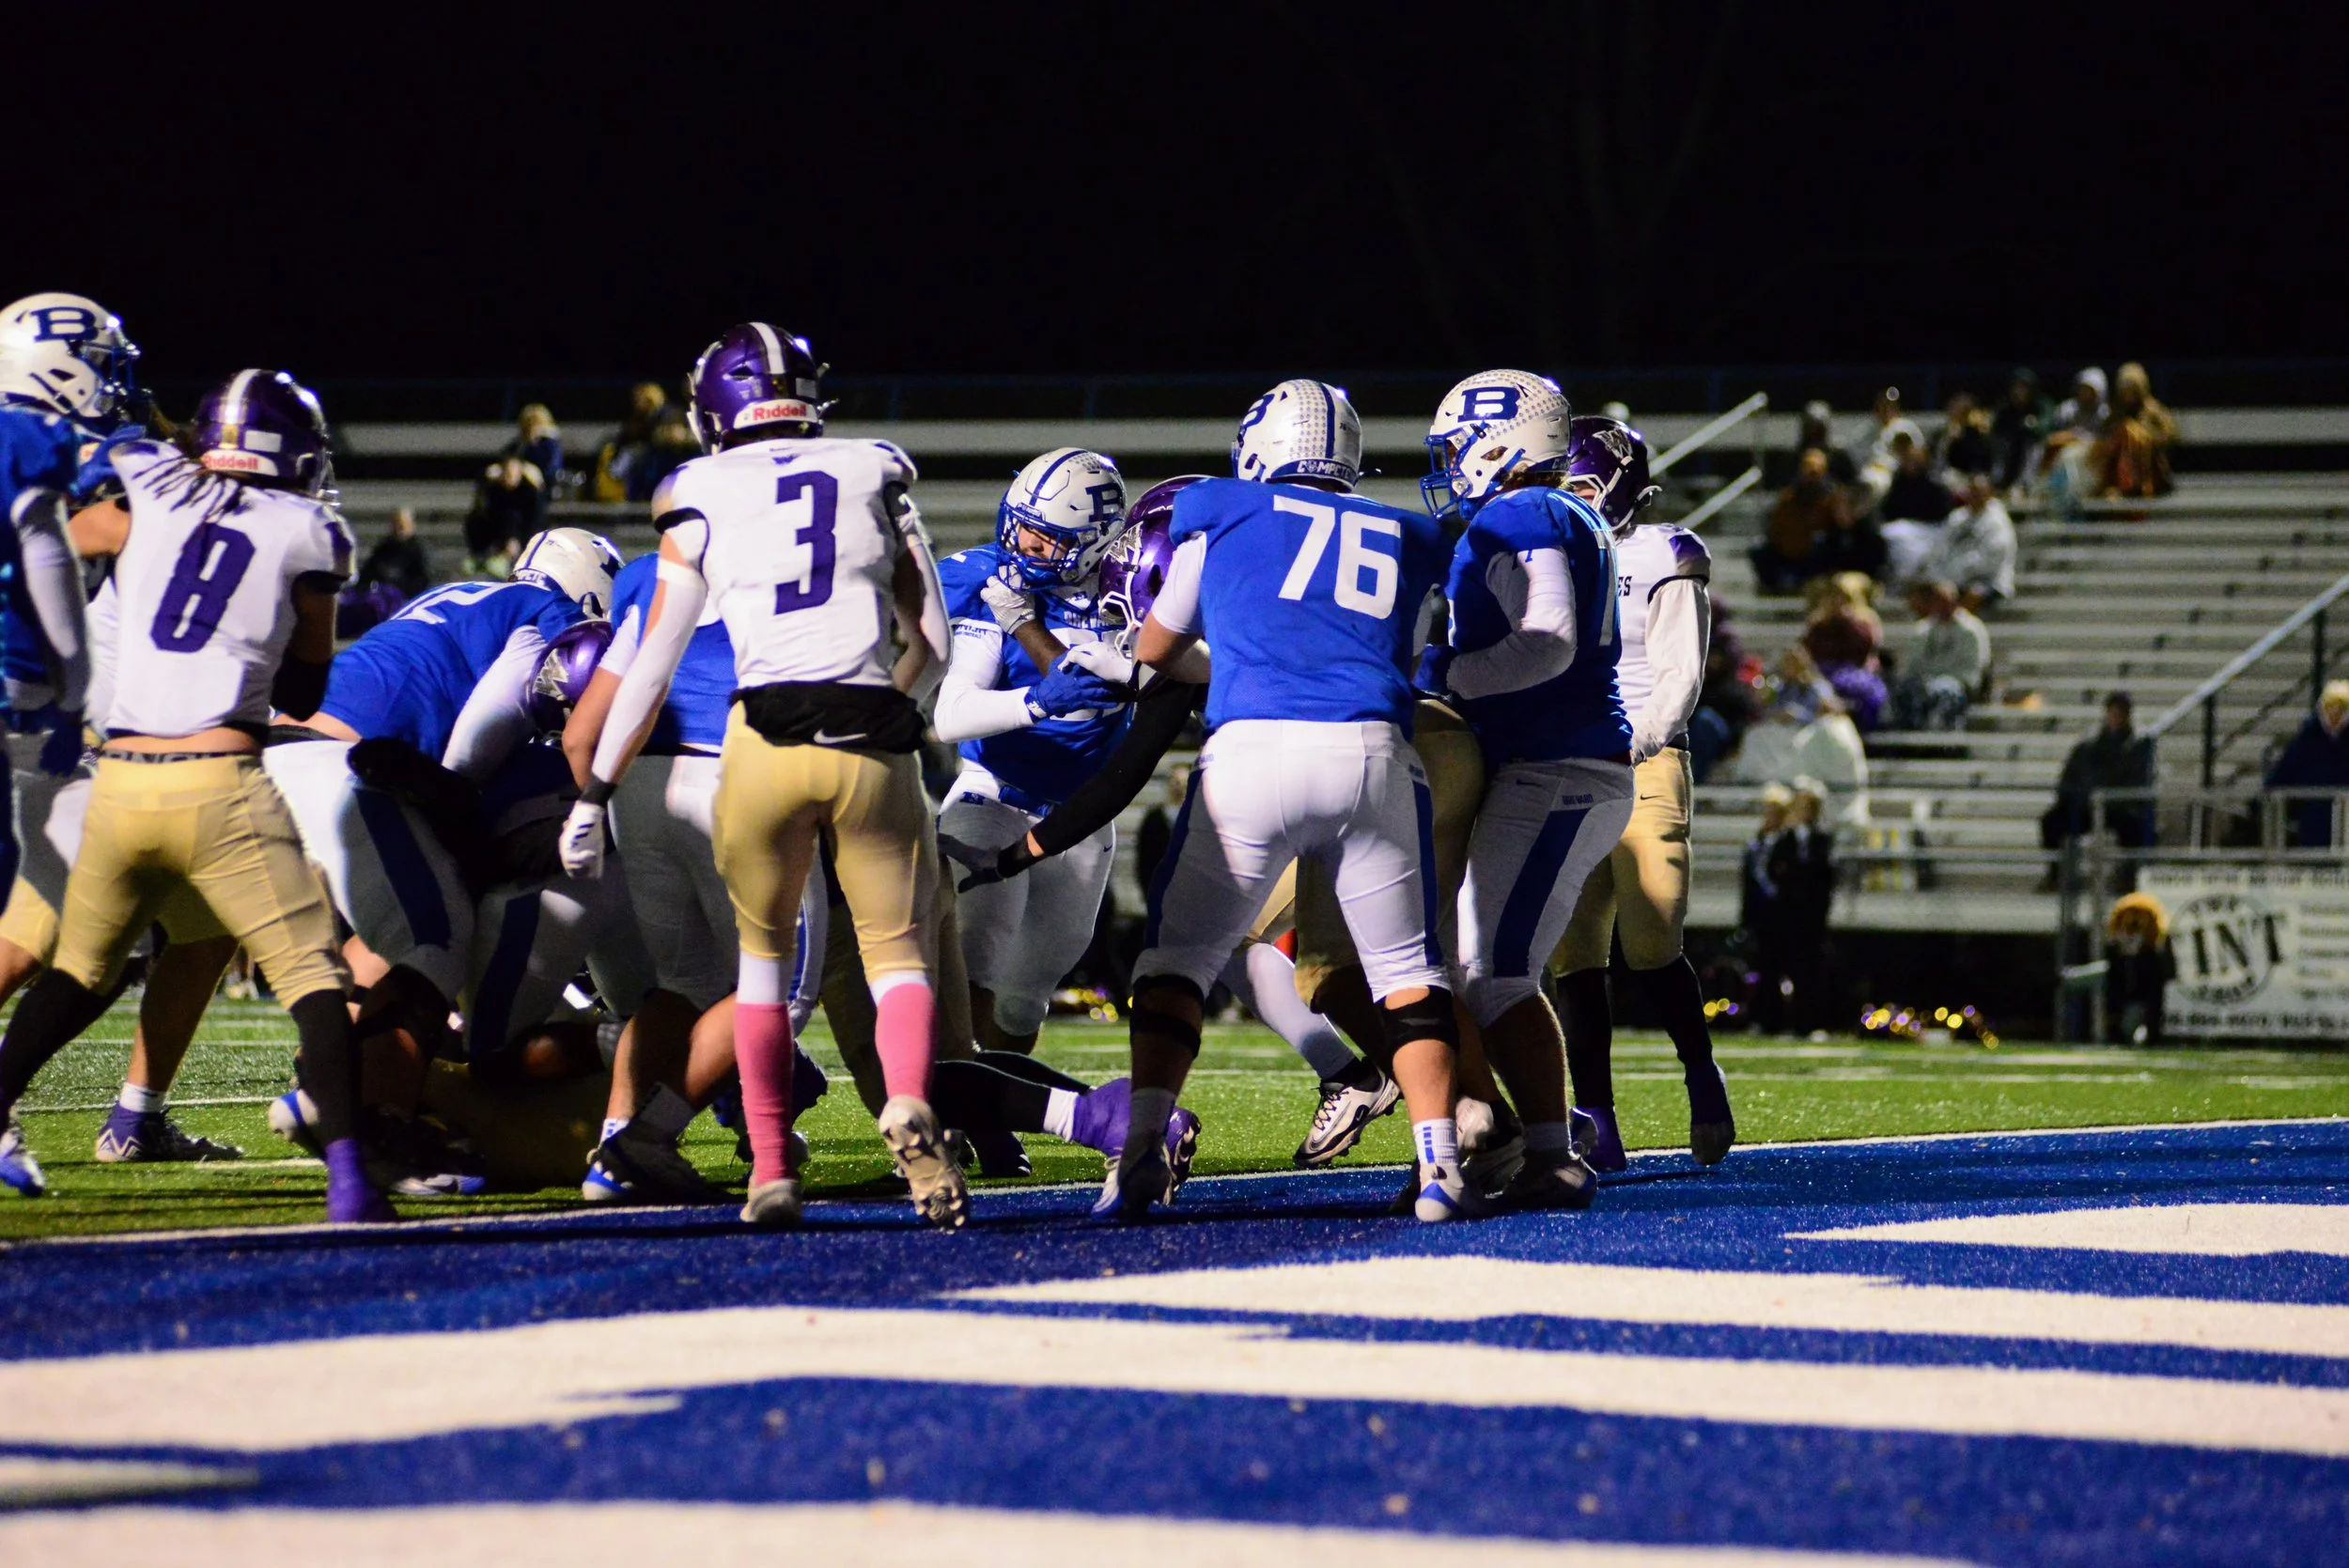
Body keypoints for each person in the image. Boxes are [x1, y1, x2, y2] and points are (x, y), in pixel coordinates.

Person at [559, 320, 962, 1233]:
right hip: (868, 730)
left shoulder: (694, 489)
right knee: (896, 954)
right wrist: (888, 708)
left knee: (761, 966)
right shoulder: (874, 466)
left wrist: (594, 794)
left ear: (714, 412)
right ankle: (907, 1100)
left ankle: (772, 1168)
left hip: (760, 740)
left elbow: (655, 661)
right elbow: (932, 642)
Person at [0, 369, 390, 1221]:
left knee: (78, 971)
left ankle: (85, 1111)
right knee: (312, 976)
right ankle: (353, 1178)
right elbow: (306, 688)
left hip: (118, 779)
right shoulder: (312, 529)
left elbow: (71, 526)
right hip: (218, 780)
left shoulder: (147, 482)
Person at [1110, 378, 1468, 1222]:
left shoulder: (1219, 507)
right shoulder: (1409, 533)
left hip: (1254, 754)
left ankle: (1138, 1155)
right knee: (1407, 971)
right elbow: (1402, 654)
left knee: (1177, 962)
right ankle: (1442, 1167)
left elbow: (1156, 646)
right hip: (1373, 755)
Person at [264, 525, 618, 1166]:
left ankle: (325, 1088)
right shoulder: (546, 615)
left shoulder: (459, 596)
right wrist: (466, 806)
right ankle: (380, 1125)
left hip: (287, 752)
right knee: (434, 938)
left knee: (395, 929)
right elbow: (484, 728)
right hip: (345, 766)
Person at [1426, 369, 1634, 1212]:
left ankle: (1553, 1152)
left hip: (1559, 767)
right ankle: (1531, 1142)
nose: (1450, 464)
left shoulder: (1520, 512)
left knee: (1496, 972)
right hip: (1563, 764)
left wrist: (1444, 674)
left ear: (1500, 441)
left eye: (1457, 446)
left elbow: (1547, 639)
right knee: (1486, 967)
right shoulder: (1563, 511)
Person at [1543, 416, 1735, 1172]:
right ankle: (1597, 1118)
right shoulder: (1547, 555)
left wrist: (1635, 738)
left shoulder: (1663, 552)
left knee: (1652, 945)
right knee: (1574, 954)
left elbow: (1680, 673)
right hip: (1564, 763)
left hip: (1641, 759)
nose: (1569, 498)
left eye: (1583, 484)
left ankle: (1701, 1072)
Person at [931, 447, 1136, 1055]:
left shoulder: (1133, 594)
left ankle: (1002, 1105)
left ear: (1095, 543)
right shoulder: (997, 585)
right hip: (992, 794)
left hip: (1084, 815)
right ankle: (955, 1105)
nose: (1022, 545)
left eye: (1045, 539)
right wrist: (1035, 702)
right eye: (1020, 527)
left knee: (1027, 994)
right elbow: (951, 713)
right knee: (972, 958)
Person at [2039, 691, 2156, 885]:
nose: (2115, 718)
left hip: (2120, 808)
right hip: (2085, 806)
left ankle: (2130, 877)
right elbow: (2069, 777)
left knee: (2139, 824)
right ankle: (2056, 875)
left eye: (2120, 714)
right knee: (2052, 821)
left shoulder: (2138, 746)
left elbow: (2138, 782)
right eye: (2112, 713)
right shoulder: (2089, 745)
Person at [1749, 777, 1835, 1033]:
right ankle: (1772, 1022)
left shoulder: (1822, 839)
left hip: (1809, 918)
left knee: (1809, 973)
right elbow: (1775, 872)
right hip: (1784, 917)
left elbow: (1823, 878)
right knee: (1775, 969)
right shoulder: (1784, 839)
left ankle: (1808, 1024)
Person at [1887, 582, 1989, 732]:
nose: (1941, 607)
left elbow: (1973, 668)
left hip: (1957, 683)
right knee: (1905, 690)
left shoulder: (1971, 630)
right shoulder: (1922, 629)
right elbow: (1911, 665)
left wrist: (1942, 681)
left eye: (1945, 602)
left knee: (1943, 691)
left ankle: (1942, 734)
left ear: (1955, 602)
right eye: (1937, 602)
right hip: (1926, 681)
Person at [2264, 679, 2349, 848]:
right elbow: (2281, 777)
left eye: (2341, 708)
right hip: (2315, 824)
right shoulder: (2305, 742)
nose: (2335, 713)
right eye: (2330, 707)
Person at [1752, 447, 1849, 592]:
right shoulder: (1789, 496)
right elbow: (1776, 525)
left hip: (1817, 552)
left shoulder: (1833, 498)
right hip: (1791, 548)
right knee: (1759, 549)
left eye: (1816, 470)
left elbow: (1842, 525)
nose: (1811, 474)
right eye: (1808, 468)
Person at [1802, 572, 1887, 733]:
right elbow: (1810, 650)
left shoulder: (1865, 620)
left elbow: (1865, 648)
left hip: (1857, 670)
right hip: (1824, 671)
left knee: (1864, 690)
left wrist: (1847, 621)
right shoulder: (1818, 623)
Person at [1924, 473, 2016, 610]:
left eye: (1980, 492)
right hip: (1953, 579)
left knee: (1974, 592)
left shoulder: (1998, 522)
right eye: (1972, 492)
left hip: (1987, 581)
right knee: (1920, 595)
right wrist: (1941, 580)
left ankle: (1958, 620)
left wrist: (1956, 574)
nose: (1976, 496)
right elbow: (1938, 551)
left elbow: (1990, 559)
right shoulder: (1956, 519)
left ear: (1989, 494)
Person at [2092, 362, 2177, 500]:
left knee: (2132, 433)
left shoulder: (2153, 411)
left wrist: (2142, 436)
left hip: (2149, 468)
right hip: (2120, 467)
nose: (2129, 395)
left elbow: (2170, 436)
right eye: (2125, 390)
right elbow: (2104, 438)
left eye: (2133, 390)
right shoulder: (2115, 413)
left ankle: (2135, 487)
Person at [2104, 891, 2174, 1046]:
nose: (2134, 921)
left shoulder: (2154, 951)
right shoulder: (2115, 948)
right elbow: (2112, 978)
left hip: (2144, 996)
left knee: (2144, 1022)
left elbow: (2158, 981)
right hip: (2122, 995)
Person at [1991, 368, 2048, 491]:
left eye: (2024, 387)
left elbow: (2045, 427)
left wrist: (2030, 425)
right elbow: (1996, 430)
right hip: (2010, 448)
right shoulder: (2005, 408)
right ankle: (1998, 480)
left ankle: (2027, 483)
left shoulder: (2041, 406)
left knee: (2034, 445)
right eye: (2016, 387)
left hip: (2031, 446)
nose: (2019, 391)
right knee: (2002, 443)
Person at [358, 506, 430, 599]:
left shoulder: (418, 551)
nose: (398, 529)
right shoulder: (384, 548)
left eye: (402, 525)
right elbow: (368, 573)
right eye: (396, 524)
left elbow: (422, 580)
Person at [505, 403, 564, 494]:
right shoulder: (518, 445)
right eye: (528, 423)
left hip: (541, 487)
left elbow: (551, 470)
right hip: (516, 484)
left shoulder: (550, 445)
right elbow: (507, 457)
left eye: (536, 423)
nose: (532, 427)